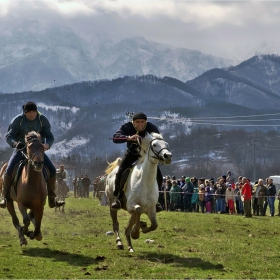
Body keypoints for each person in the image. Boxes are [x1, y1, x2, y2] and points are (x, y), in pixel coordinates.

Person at [0, 101, 65, 208]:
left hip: (37, 152)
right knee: (9, 170)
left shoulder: (42, 119)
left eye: (34, 111)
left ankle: (52, 199)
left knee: (52, 170)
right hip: (21, 151)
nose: (32, 114)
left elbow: (50, 136)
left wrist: (47, 144)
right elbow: (9, 136)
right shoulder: (18, 120)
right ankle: (5, 198)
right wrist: (15, 143)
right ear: (25, 112)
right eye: (29, 112)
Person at [111, 112, 163, 212]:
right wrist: (128, 138)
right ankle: (116, 198)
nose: (140, 124)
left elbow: (159, 142)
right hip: (131, 154)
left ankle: (156, 201)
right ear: (133, 122)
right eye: (137, 122)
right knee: (120, 172)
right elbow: (115, 137)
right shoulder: (127, 126)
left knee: (159, 176)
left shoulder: (152, 127)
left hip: (147, 156)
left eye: (142, 122)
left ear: (146, 122)